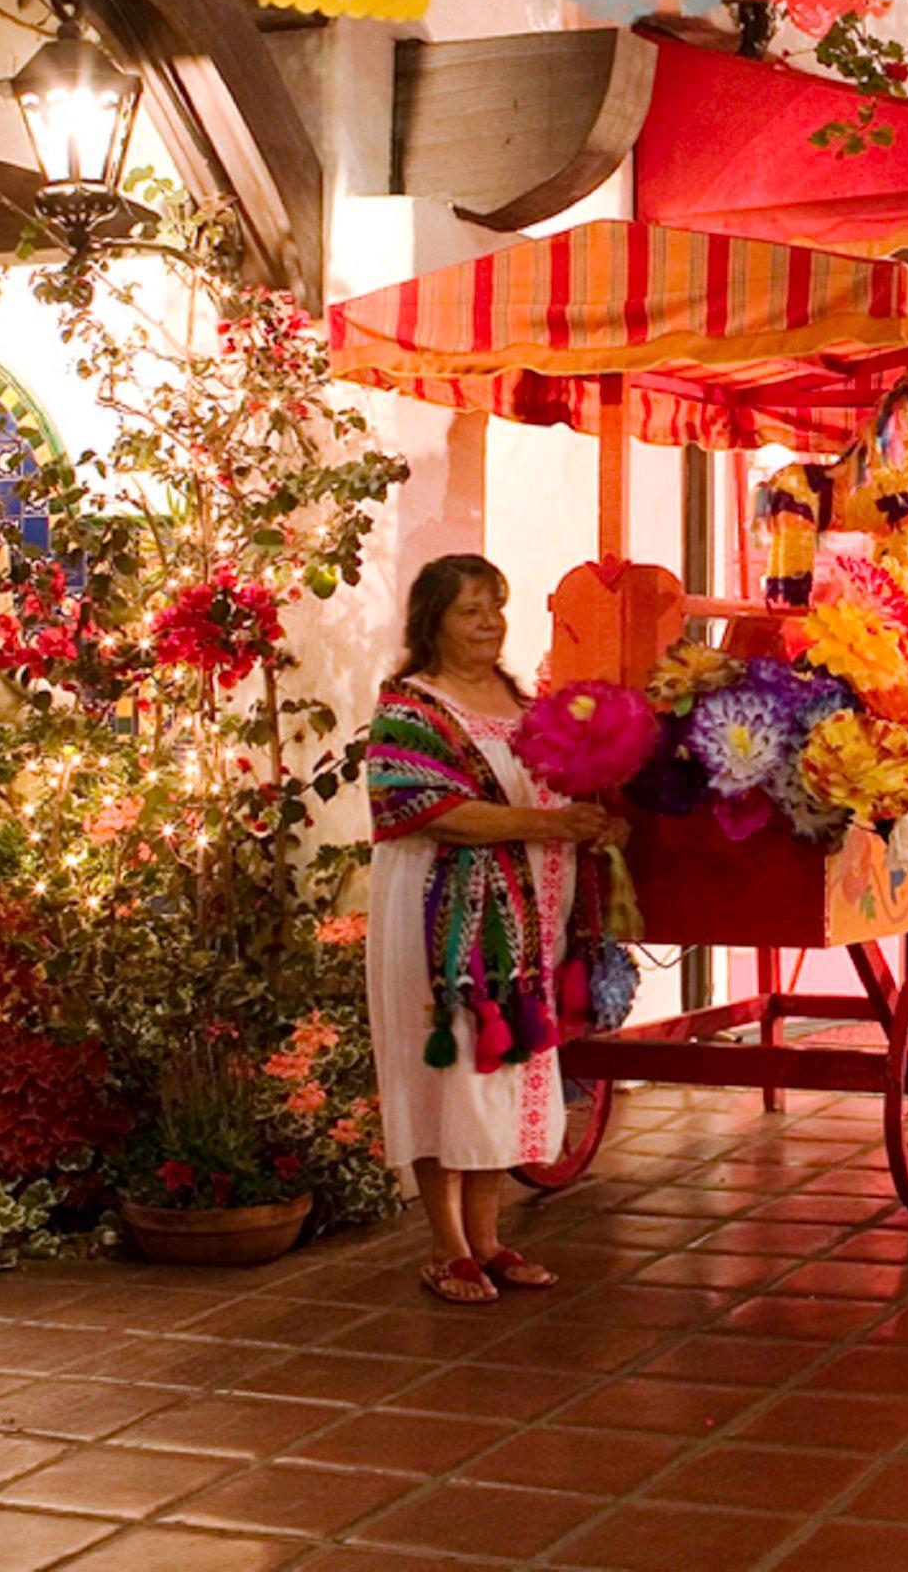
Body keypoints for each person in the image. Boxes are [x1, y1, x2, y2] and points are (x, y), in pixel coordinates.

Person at [359, 554, 621, 1306]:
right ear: (432, 619)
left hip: (521, 920)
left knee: (500, 1070)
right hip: (439, 918)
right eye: (472, 610)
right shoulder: (410, 705)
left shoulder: (516, 698)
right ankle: (445, 1248)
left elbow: (555, 779)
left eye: (497, 608)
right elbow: (429, 810)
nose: (490, 623)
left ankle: (488, 1238)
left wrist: (590, 815)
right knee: (446, 1070)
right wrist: (549, 822)